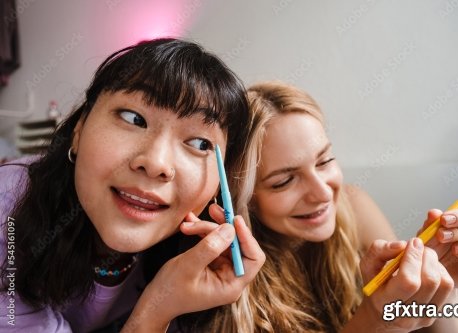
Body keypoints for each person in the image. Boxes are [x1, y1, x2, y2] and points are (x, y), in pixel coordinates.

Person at [176, 81, 458, 332]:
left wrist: (439, 287)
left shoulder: (353, 205)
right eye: (283, 181)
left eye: (325, 160)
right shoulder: (224, 274)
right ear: (243, 199)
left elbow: (417, 316)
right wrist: (378, 320)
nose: (322, 193)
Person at [0, 38, 265, 332]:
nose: (156, 164)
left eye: (201, 143)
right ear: (79, 129)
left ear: (219, 183)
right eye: (133, 118)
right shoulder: (9, 205)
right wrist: (156, 310)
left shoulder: (200, 260)